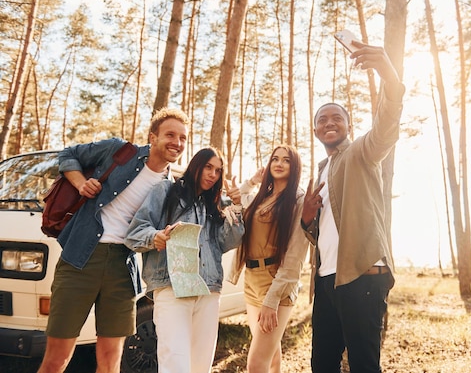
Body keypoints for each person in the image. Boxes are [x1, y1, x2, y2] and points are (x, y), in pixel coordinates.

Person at [37, 108, 190, 373]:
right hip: (79, 260)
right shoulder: (119, 151)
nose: (177, 142)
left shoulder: (170, 188)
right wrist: (80, 183)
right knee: (57, 359)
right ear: (153, 137)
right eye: (170, 135)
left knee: (110, 362)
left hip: (123, 267)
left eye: (183, 137)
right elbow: (68, 155)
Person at [300, 40, 405, 373]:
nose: (329, 122)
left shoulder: (362, 152)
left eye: (337, 118)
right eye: (322, 119)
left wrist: (389, 76)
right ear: (315, 129)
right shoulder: (319, 170)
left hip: (361, 275)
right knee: (323, 366)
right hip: (326, 281)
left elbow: (386, 126)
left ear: (348, 126)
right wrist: (306, 218)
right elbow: (320, 232)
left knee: (363, 366)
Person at [125, 147, 244, 373]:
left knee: (200, 365)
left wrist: (236, 206)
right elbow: (134, 233)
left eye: (218, 171)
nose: (212, 174)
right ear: (195, 165)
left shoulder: (214, 204)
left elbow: (228, 242)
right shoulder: (166, 190)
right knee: (175, 362)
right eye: (208, 167)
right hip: (172, 287)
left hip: (208, 290)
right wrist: (155, 237)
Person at [227, 145, 309, 373]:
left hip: (275, 283)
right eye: (275, 159)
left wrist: (272, 299)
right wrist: (252, 181)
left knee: (255, 364)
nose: (279, 164)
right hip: (251, 280)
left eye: (286, 160)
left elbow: (295, 256)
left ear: (295, 167)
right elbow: (233, 202)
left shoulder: (297, 200)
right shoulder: (263, 197)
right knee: (270, 356)